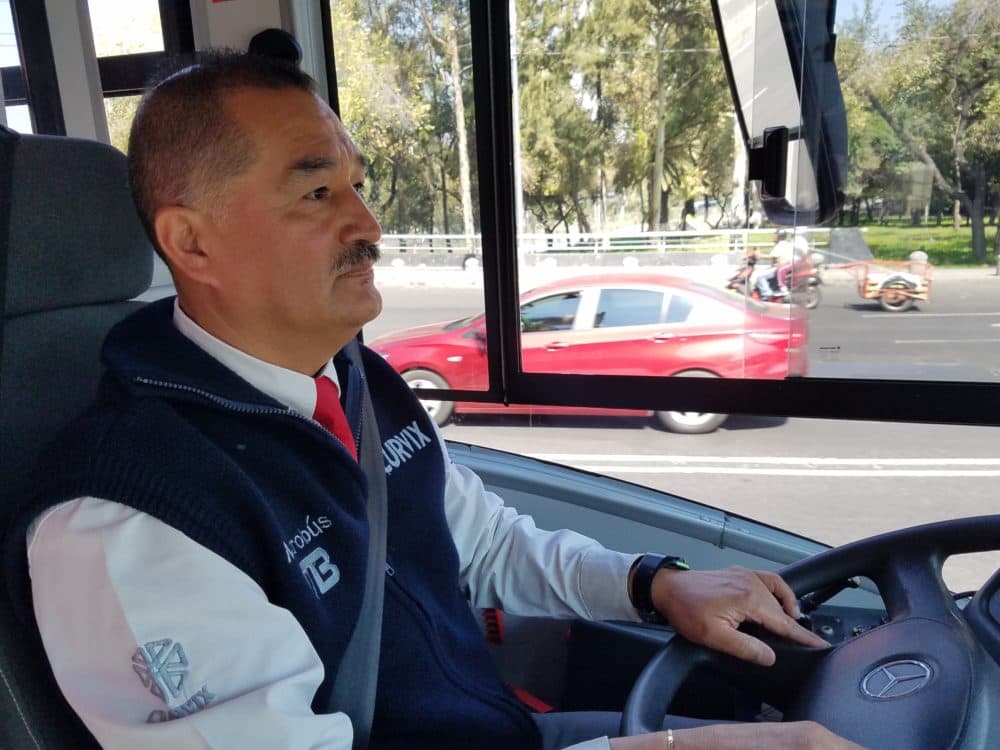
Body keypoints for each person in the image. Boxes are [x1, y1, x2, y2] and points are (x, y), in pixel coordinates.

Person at [9, 52, 864, 750]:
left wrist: (653, 586)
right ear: (191, 242)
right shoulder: (124, 522)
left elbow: (479, 540)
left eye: (355, 182)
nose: (369, 223)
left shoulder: (354, 377)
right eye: (316, 192)